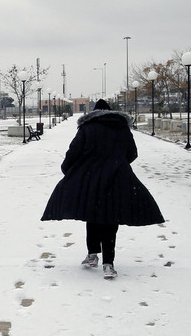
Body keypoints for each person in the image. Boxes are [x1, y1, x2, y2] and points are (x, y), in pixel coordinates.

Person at [41, 99, 164, 279]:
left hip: (91, 177)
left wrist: (71, 171)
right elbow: (132, 153)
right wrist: (117, 164)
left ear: (94, 111)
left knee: (92, 214)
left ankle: (92, 254)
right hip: (117, 177)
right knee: (111, 216)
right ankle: (109, 263)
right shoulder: (122, 127)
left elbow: (73, 152)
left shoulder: (87, 127)